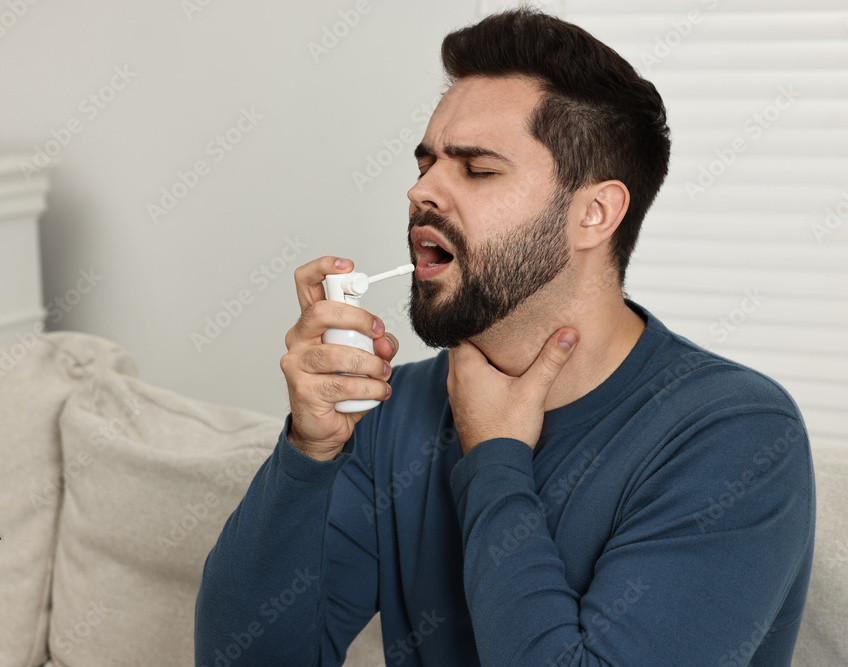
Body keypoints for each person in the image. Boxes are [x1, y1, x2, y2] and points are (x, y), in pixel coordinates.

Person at [195, 8, 815, 666]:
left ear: (593, 214)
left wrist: (493, 459)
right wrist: (308, 452)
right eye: (427, 161)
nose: (421, 190)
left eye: (477, 169)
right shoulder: (388, 411)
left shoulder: (735, 435)